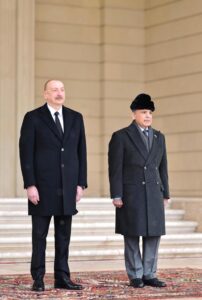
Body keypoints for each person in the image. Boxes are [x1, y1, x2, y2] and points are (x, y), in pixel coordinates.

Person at [19, 79, 87, 292]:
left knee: (64, 236)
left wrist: (80, 184)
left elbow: (81, 153)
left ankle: (62, 277)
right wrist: (30, 184)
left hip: (67, 187)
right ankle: (38, 278)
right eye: (54, 90)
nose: (59, 93)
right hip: (42, 187)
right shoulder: (33, 118)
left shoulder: (76, 118)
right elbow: (26, 153)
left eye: (62, 89)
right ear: (45, 94)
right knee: (39, 236)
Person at [108, 93, 170, 288]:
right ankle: (135, 274)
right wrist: (116, 194)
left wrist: (165, 193)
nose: (148, 116)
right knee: (132, 234)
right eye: (144, 112)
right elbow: (115, 169)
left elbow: (163, 168)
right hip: (131, 193)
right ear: (134, 113)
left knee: (153, 235)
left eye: (150, 112)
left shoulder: (160, 137)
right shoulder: (121, 136)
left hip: (153, 192)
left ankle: (150, 274)